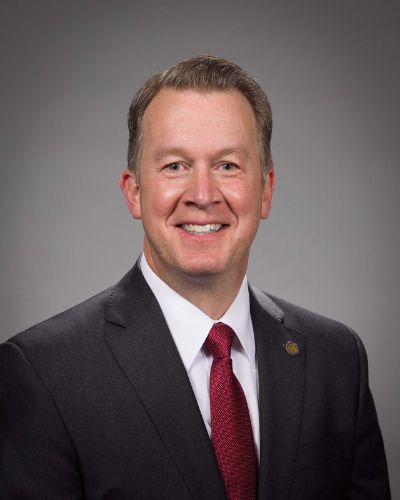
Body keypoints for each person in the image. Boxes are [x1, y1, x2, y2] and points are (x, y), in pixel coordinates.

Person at [0, 55, 391, 499]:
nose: (203, 195)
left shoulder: (337, 359)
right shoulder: (43, 373)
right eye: (175, 166)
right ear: (134, 192)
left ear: (265, 190)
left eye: (228, 165)